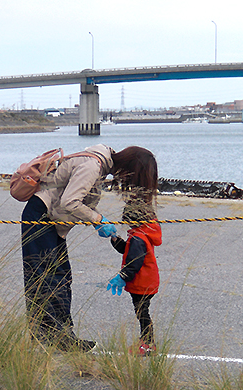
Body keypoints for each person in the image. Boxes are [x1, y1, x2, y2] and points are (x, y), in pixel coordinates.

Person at [21, 144, 158, 352]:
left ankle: (60, 336)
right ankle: (48, 338)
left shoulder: (100, 162)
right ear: (130, 169)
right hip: (41, 217)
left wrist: (97, 222)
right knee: (45, 278)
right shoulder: (94, 165)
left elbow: (76, 197)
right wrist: (99, 219)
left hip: (50, 219)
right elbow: (70, 202)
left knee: (61, 276)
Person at [107, 198, 162, 356]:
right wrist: (115, 240)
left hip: (142, 283)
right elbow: (127, 251)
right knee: (142, 311)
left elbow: (134, 262)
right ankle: (146, 341)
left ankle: (148, 343)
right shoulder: (142, 234)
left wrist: (122, 276)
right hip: (147, 281)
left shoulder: (138, 238)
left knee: (142, 312)